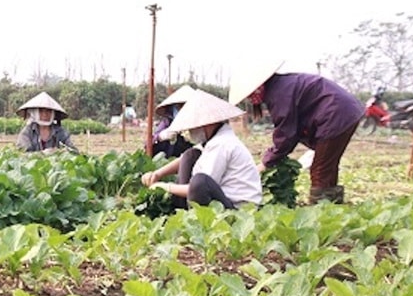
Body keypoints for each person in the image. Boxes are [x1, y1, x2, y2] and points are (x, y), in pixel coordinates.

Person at [228, 63, 364, 204]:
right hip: (345, 111)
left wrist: (266, 162)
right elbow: (292, 128)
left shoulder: (279, 92)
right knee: (327, 165)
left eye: (250, 94)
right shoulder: (280, 85)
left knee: (320, 169)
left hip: (335, 114)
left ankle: (321, 211)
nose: (249, 99)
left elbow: (286, 132)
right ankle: (332, 206)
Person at [141, 89, 262, 210]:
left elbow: (198, 187)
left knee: (200, 181)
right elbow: (185, 158)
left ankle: (189, 213)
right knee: (191, 155)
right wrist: (158, 173)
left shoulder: (221, 144)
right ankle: (181, 210)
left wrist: (166, 187)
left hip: (239, 209)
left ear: (207, 124)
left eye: (194, 127)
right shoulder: (214, 139)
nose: (190, 131)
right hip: (225, 199)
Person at [151, 84, 195, 158]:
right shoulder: (167, 123)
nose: (182, 110)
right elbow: (148, 144)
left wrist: (195, 139)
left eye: (185, 106)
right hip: (169, 161)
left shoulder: (200, 123)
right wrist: (160, 137)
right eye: (179, 107)